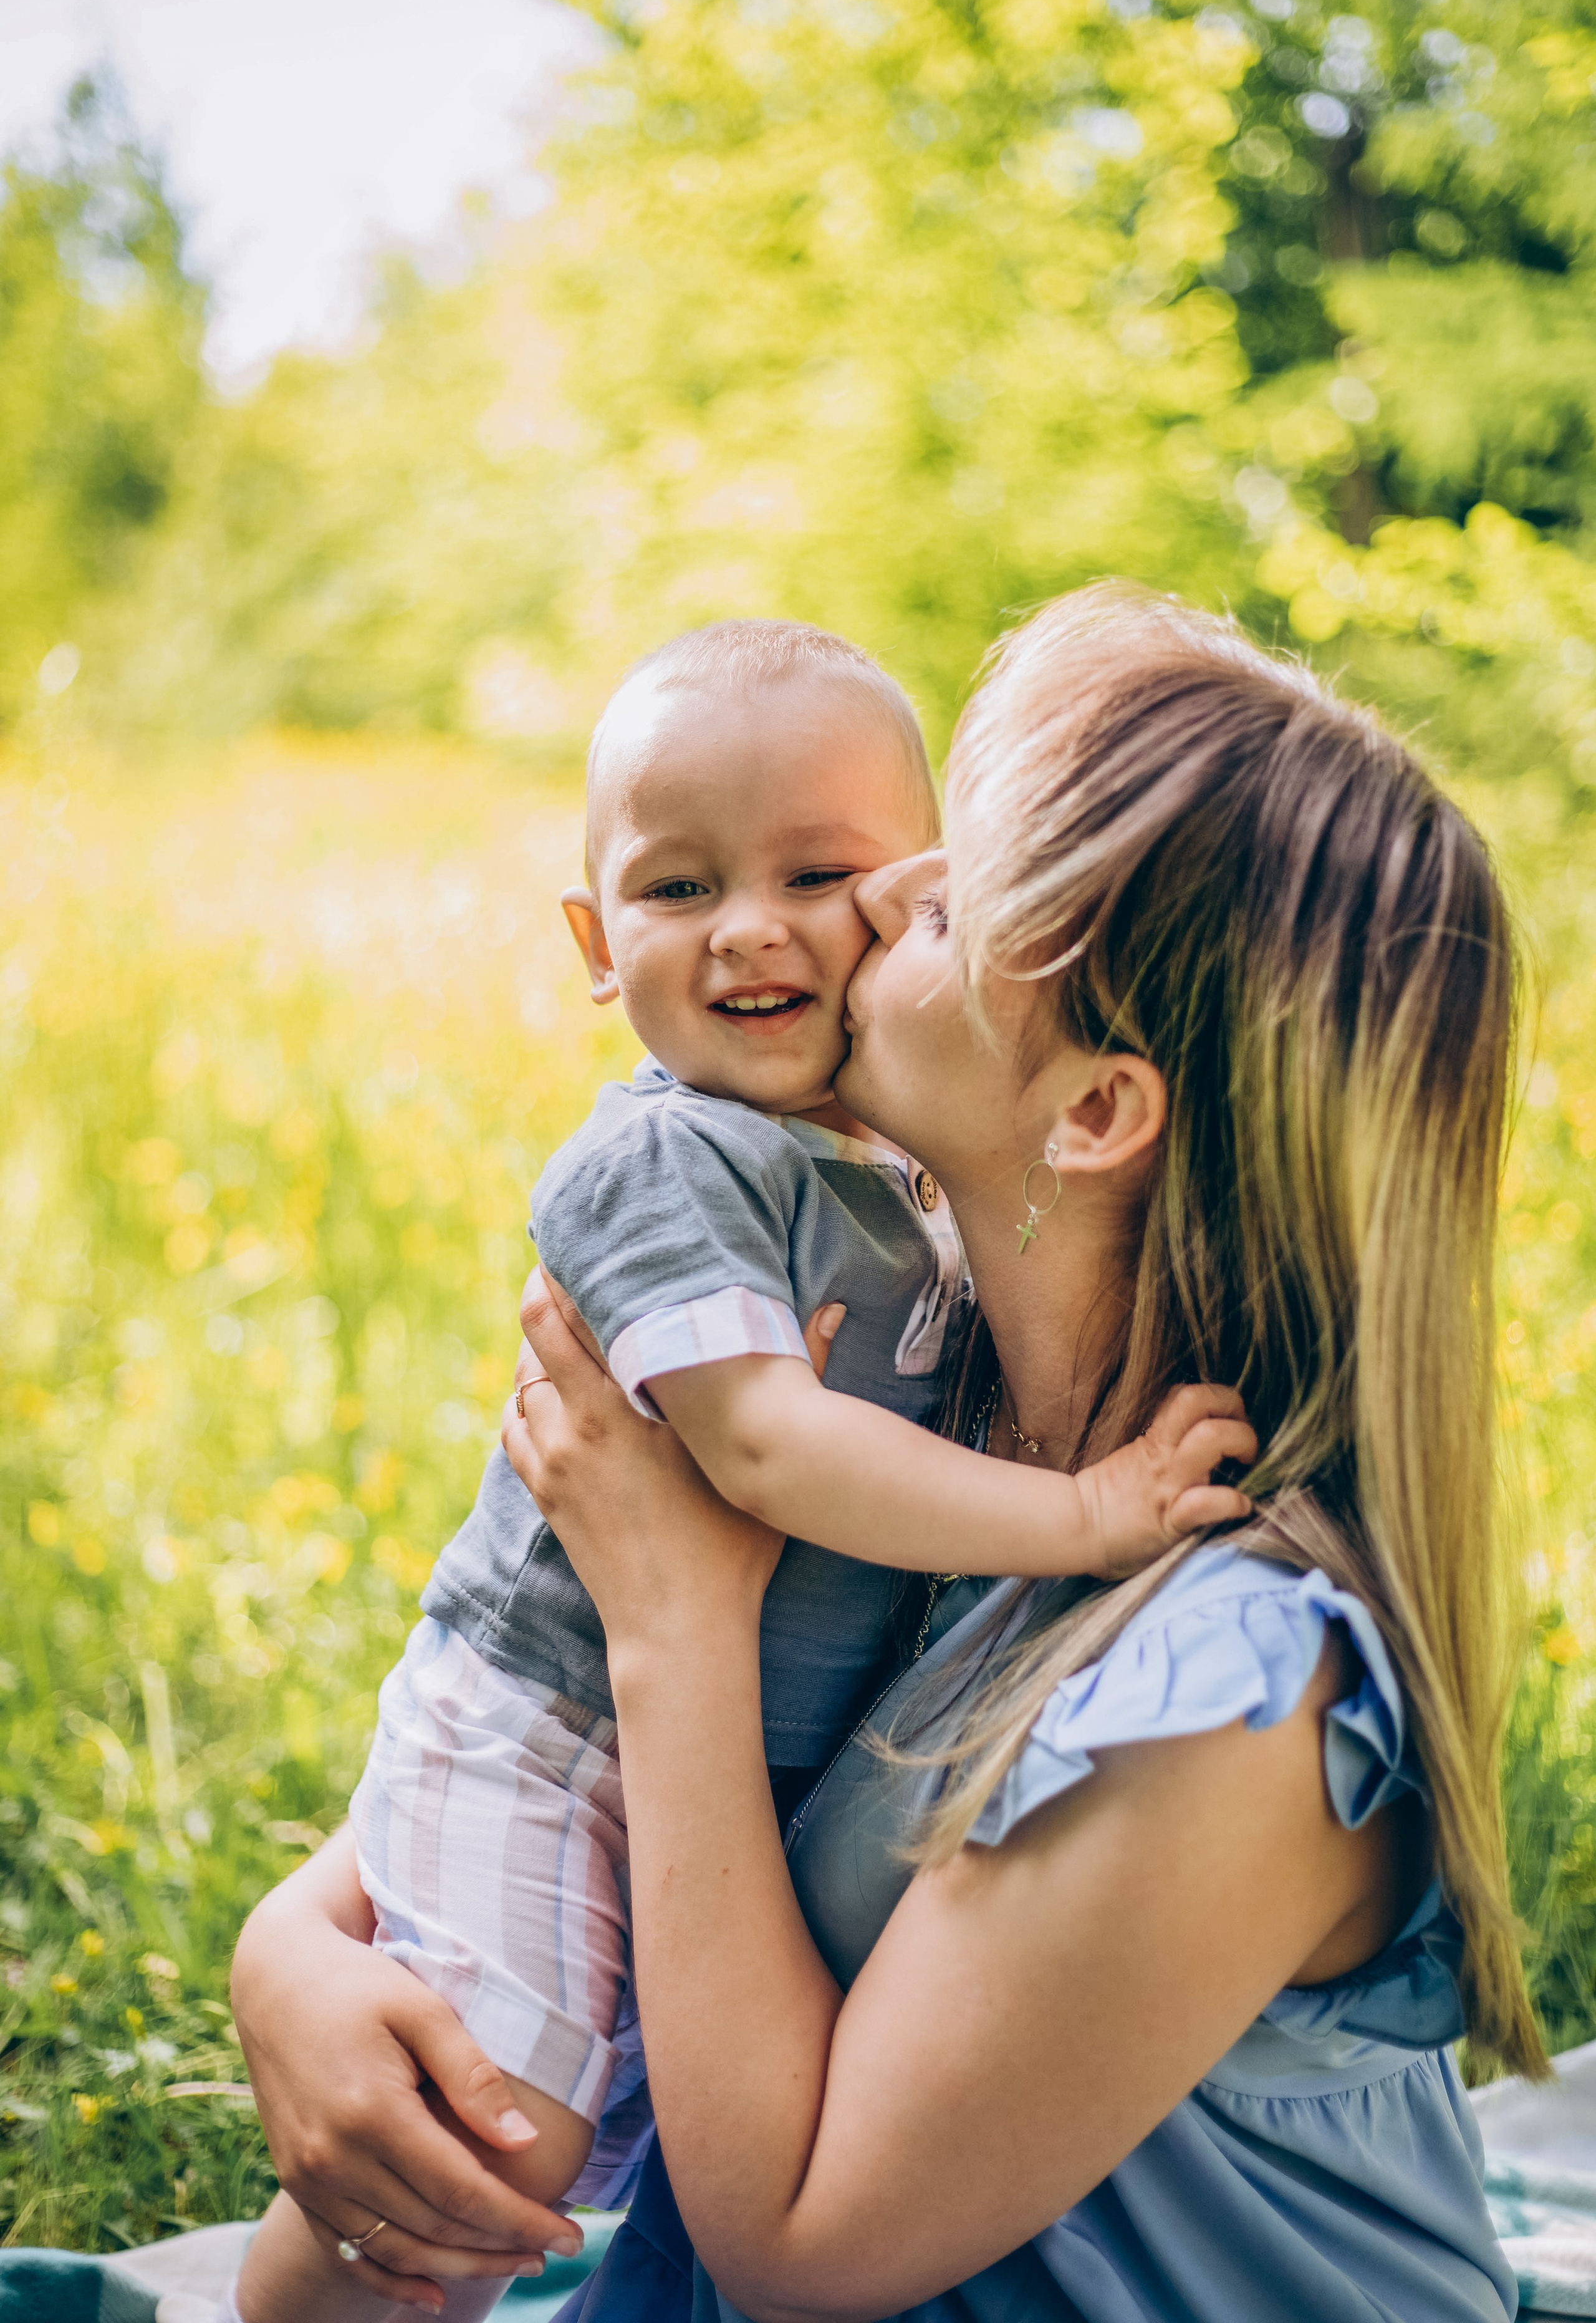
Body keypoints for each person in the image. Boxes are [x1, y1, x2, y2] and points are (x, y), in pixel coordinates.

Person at [231, 585, 1536, 2322]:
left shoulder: (1235, 1688)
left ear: (1091, 1115)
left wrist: (677, 1622)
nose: (884, 900)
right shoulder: (941, 1414)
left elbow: (799, 2247)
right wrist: (295, 1953)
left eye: (954, 891)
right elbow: (540, 1741)